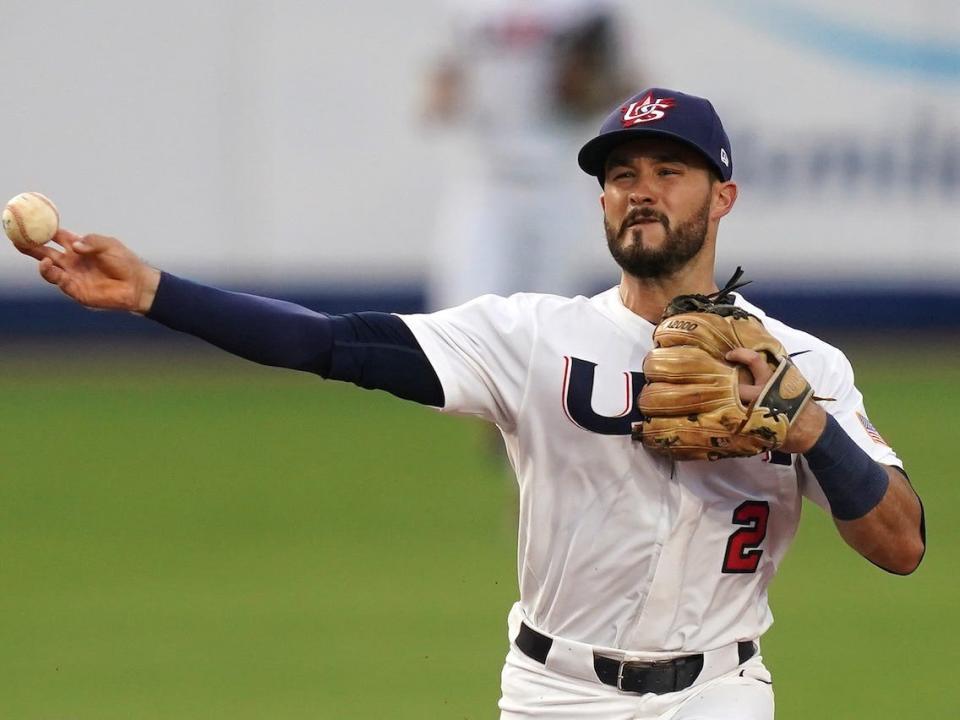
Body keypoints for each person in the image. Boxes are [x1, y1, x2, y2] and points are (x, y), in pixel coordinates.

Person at [15, 88, 925, 720]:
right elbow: (334, 344)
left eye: (668, 169)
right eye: (619, 174)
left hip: (721, 692)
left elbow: (902, 545)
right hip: (555, 693)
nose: (640, 187)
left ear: (722, 195)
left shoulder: (806, 364)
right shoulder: (531, 337)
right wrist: (152, 292)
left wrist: (810, 428)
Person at [423, 0, 637, 309]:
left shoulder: (587, 9)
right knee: (463, 311)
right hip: (484, 177)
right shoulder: (467, 9)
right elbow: (440, 86)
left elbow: (623, 82)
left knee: (554, 313)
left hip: (559, 175)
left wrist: (588, 83)